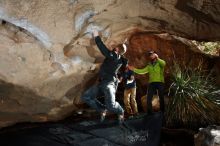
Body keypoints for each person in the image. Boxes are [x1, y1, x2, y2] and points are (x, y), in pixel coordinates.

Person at [81, 30, 128, 124]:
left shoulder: (114, 56)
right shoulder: (117, 58)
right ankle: (102, 109)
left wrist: (97, 37)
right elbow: (108, 65)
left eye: (116, 47)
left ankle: (121, 111)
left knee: (111, 105)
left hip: (109, 84)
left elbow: (104, 51)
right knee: (86, 97)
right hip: (103, 82)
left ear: (117, 50)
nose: (114, 47)